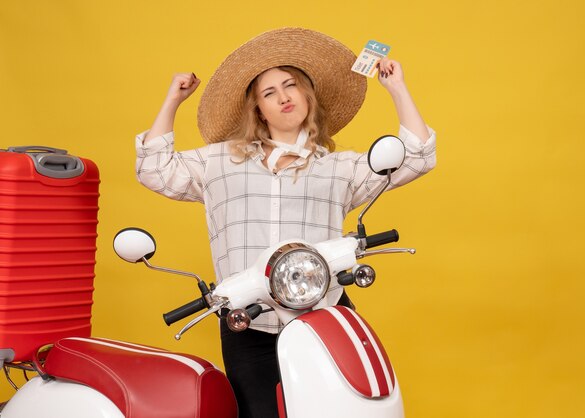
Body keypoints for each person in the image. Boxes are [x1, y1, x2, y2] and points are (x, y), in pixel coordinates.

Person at [135, 27, 436, 418]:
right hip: (250, 321)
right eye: (269, 92)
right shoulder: (220, 162)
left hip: (326, 313)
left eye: (291, 85)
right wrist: (173, 101)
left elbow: (416, 157)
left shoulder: (339, 168)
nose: (284, 97)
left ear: (307, 95)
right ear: (257, 109)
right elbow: (154, 168)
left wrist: (397, 89)